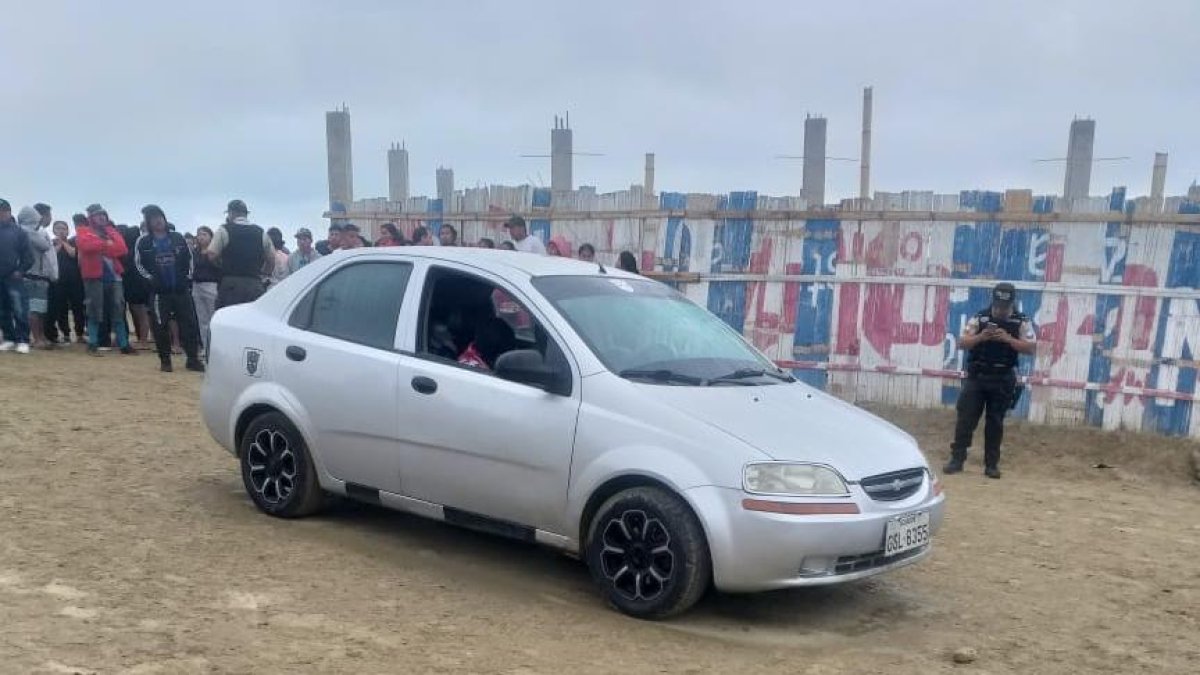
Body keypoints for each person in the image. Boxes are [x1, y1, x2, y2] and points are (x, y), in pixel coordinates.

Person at [944, 282, 1037, 479]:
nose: (1000, 311)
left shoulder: (1022, 322)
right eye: (997, 306)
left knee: (995, 423)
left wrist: (1008, 339)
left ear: (1012, 304)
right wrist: (981, 337)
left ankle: (991, 465)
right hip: (977, 377)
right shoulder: (980, 318)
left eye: (1004, 307)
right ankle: (957, 459)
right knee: (965, 419)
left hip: (1002, 378)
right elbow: (962, 342)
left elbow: (1030, 348)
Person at [134, 205, 203, 373]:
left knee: (189, 324)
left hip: (180, 289)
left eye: (160, 217)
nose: (158, 221)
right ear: (148, 223)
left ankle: (192, 359)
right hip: (159, 292)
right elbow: (138, 264)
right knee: (159, 326)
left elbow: (190, 260)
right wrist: (151, 281)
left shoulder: (178, 238)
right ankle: (165, 360)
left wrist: (187, 278)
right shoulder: (143, 242)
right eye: (153, 219)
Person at [77, 204, 135, 355]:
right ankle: (93, 343)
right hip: (94, 276)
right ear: (91, 218)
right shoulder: (84, 230)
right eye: (98, 215)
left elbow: (122, 249)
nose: (102, 217)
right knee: (94, 309)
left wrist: (99, 244)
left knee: (118, 309)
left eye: (104, 215)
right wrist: (106, 244)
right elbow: (85, 246)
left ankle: (124, 344)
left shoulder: (111, 231)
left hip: (114, 276)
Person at [207, 199, 274, 309]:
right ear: (246, 214)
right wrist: (264, 274)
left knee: (227, 319)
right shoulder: (261, 232)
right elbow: (271, 259)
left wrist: (220, 265)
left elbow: (211, 254)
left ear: (231, 213)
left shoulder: (224, 230)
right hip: (254, 283)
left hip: (231, 284)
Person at [18, 205, 58, 349]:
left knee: (39, 309)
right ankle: (37, 338)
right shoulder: (27, 231)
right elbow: (45, 246)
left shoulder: (29, 231)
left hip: (38, 275)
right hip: (32, 276)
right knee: (34, 309)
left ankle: (40, 337)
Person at [0, 198, 34, 353]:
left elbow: (28, 256)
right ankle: (9, 338)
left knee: (20, 309)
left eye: (3, 211)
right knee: (2, 310)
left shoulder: (18, 232)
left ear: (8, 212)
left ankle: (23, 340)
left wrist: (20, 271)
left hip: (14, 277)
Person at [47, 219, 86, 344]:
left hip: (75, 281)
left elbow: (73, 254)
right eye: (58, 228)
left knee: (78, 308)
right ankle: (66, 333)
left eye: (64, 228)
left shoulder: (74, 242)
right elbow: (52, 255)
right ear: (53, 230)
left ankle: (80, 334)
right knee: (61, 309)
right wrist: (58, 243)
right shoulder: (50, 243)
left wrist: (64, 243)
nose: (61, 230)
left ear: (68, 230)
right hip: (58, 281)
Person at [119, 223, 153, 347]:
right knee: (140, 313)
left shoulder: (129, 251)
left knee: (140, 313)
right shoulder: (137, 249)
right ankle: (142, 338)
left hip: (135, 285)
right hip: (138, 284)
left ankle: (143, 340)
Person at [191, 225, 220, 352]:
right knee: (202, 320)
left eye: (204, 234)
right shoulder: (194, 252)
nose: (201, 237)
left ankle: (216, 347)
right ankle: (205, 347)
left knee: (213, 318)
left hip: (211, 285)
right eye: (199, 234)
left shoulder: (215, 252)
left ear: (210, 236)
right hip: (197, 285)